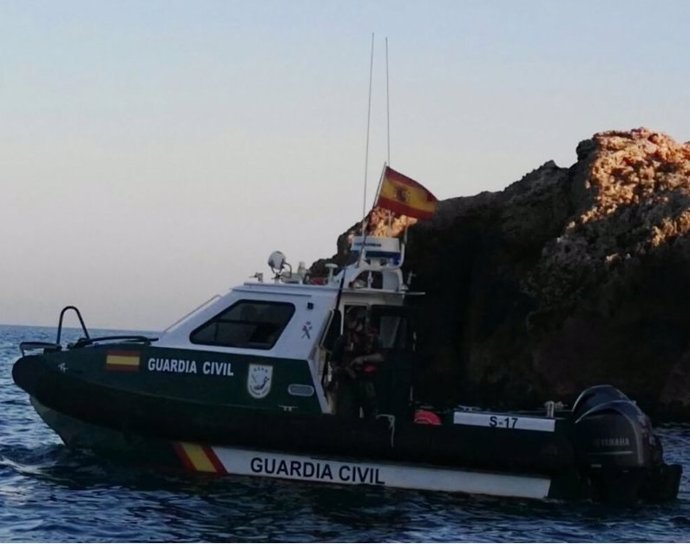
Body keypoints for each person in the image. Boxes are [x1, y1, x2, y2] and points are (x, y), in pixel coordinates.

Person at [330, 307, 383, 419]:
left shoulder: (373, 338)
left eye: (351, 320)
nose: (348, 322)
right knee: (345, 414)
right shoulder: (343, 339)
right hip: (347, 381)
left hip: (366, 381)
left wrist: (363, 359)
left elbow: (380, 356)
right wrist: (336, 369)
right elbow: (334, 359)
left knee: (371, 413)